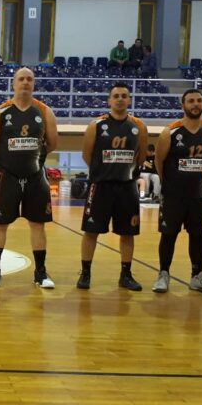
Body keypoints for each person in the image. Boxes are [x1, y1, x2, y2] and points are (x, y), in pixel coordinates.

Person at [0, 66, 59, 288]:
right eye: (21, 79)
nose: (25, 82)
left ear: (33, 84)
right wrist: (7, 161)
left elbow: (52, 144)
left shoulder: (44, 112)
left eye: (29, 79)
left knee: (38, 225)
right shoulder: (1, 112)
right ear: (14, 83)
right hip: (7, 177)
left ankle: (40, 273)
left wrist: (32, 158)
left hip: (36, 177)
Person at [78, 82, 148, 291]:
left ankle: (126, 275)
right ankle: (85, 273)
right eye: (116, 96)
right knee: (91, 232)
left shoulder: (139, 126)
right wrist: (103, 171)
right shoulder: (97, 125)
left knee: (128, 233)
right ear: (109, 100)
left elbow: (141, 156)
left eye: (124, 96)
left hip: (127, 187)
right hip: (100, 186)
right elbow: (87, 155)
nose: (120, 99)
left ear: (129, 100)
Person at [151, 89, 202, 294]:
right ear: (183, 105)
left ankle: (197, 276)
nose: (195, 104)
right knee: (168, 235)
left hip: (199, 195)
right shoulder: (170, 132)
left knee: (198, 236)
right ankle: (163, 274)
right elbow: (159, 161)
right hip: (173, 195)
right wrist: (169, 184)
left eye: (199, 100)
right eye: (190, 101)